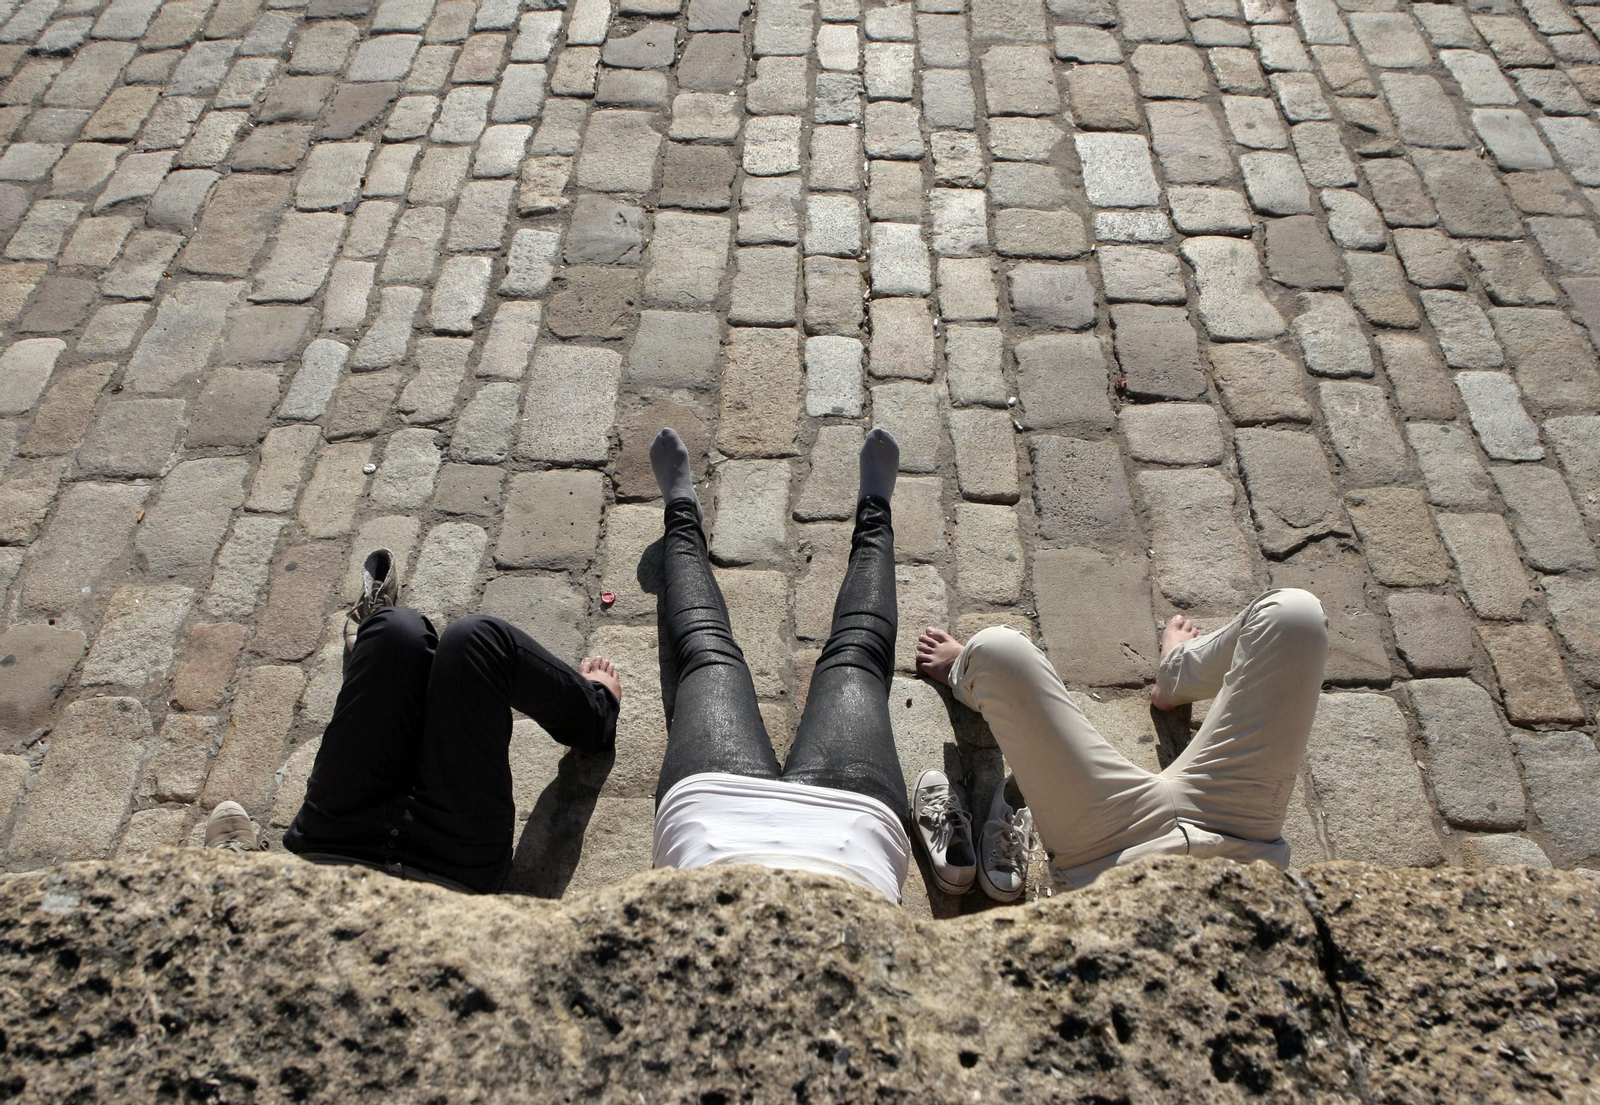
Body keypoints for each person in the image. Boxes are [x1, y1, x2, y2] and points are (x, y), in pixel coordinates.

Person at [913, 589, 1329, 895]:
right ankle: (1176, 675)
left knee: (996, 651)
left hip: (1107, 856)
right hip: (1245, 843)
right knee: (1295, 615)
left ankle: (963, 675)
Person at [647, 427, 913, 903]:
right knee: (859, 653)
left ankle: (681, 515)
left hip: (712, 823)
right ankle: (876, 510)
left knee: (706, 652)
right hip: (853, 834)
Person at [278, 550, 623, 893]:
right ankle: (596, 716)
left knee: (393, 631)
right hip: (450, 866)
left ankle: (393, 660)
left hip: (330, 844)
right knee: (478, 640)